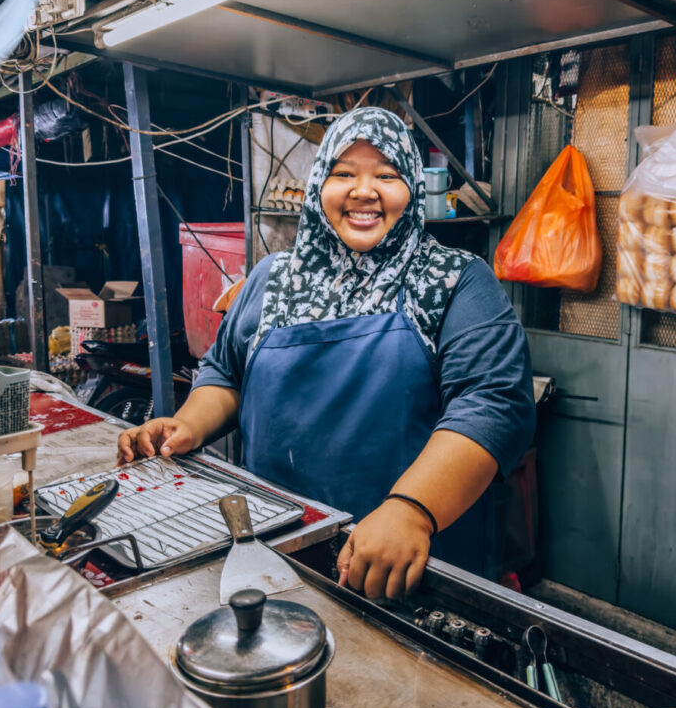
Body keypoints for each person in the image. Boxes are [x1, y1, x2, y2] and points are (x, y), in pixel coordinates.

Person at [118, 107, 535, 598]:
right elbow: (226, 373)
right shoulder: (273, 278)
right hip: (274, 550)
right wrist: (188, 424)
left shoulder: (455, 280)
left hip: (405, 564)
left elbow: (491, 404)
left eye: (387, 174)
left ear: (414, 190)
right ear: (319, 184)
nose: (363, 191)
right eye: (343, 174)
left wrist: (410, 510)